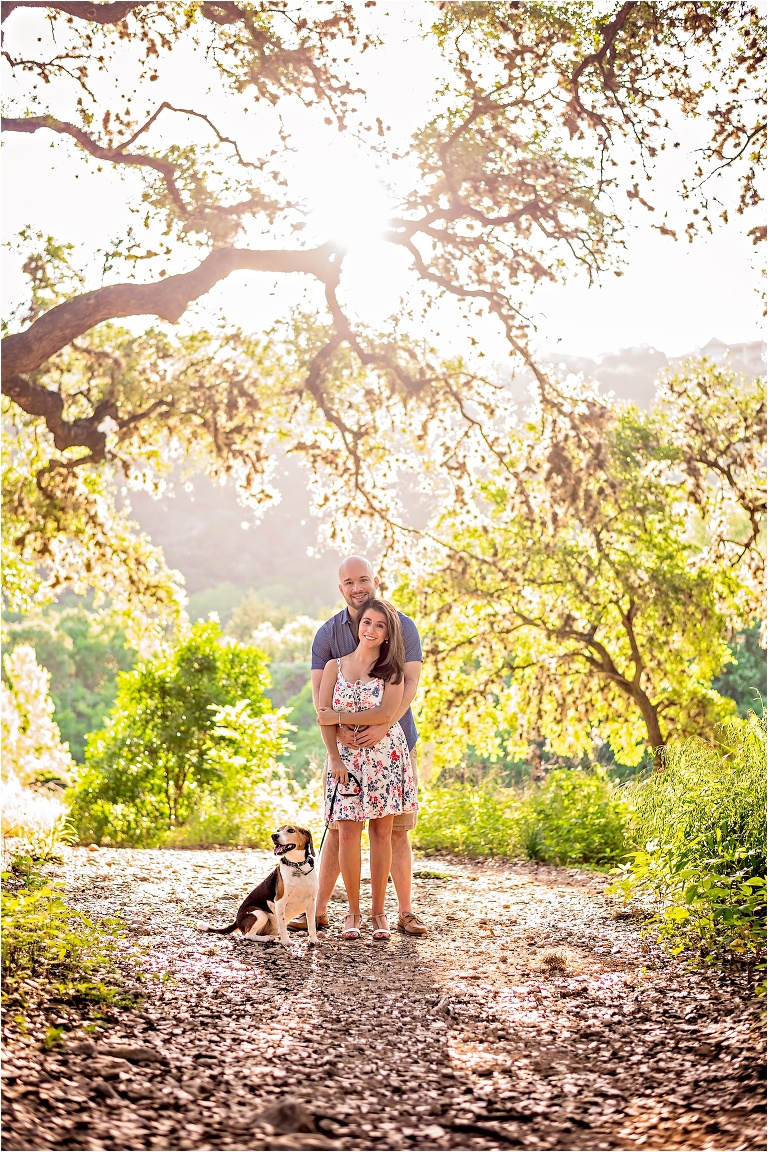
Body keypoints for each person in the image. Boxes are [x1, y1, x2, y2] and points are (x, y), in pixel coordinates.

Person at [288, 554, 428, 936]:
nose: (357, 587)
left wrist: (384, 724)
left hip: (392, 743)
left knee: (394, 830)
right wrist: (336, 738)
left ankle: (402, 911)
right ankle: (319, 911)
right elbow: (323, 699)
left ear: (376, 580)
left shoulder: (403, 627)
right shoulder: (329, 636)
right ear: (341, 588)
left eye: (363, 579)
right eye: (349, 583)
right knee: (340, 829)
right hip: (345, 749)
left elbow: (409, 684)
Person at [316, 598, 418, 940]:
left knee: (381, 833)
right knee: (346, 833)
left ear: (388, 634)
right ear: (358, 625)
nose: (371, 630)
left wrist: (341, 718)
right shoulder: (334, 666)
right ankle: (353, 913)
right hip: (344, 760)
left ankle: (378, 915)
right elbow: (322, 717)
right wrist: (334, 757)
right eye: (367, 623)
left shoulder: (393, 670)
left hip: (384, 759)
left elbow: (385, 715)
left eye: (380, 626)